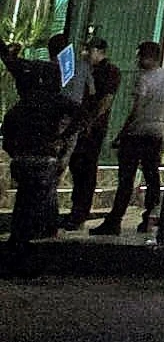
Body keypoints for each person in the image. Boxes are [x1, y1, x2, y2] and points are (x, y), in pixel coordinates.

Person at [3, 41, 80, 245]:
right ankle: (42, 234)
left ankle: (21, 237)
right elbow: (81, 114)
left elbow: (7, 132)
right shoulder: (55, 101)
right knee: (43, 196)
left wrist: (14, 150)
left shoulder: (22, 105)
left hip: (24, 158)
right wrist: (63, 138)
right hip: (44, 157)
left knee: (25, 199)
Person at [93, 40, 164, 237]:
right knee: (152, 175)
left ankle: (115, 220)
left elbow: (137, 109)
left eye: (140, 56)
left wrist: (122, 133)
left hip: (138, 132)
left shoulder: (143, 79)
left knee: (126, 179)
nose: (137, 60)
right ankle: (150, 216)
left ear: (147, 57)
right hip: (156, 131)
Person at [62, 35, 122, 228]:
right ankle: (76, 209)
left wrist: (91, 120)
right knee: (76, 165)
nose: (86, 53)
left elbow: (106, 99)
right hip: (78, 123)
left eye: (90, 50)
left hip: (93, 127)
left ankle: (80, 212)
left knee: (86, 167)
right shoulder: (85, 69)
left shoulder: (110, 71)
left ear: (99, 51)